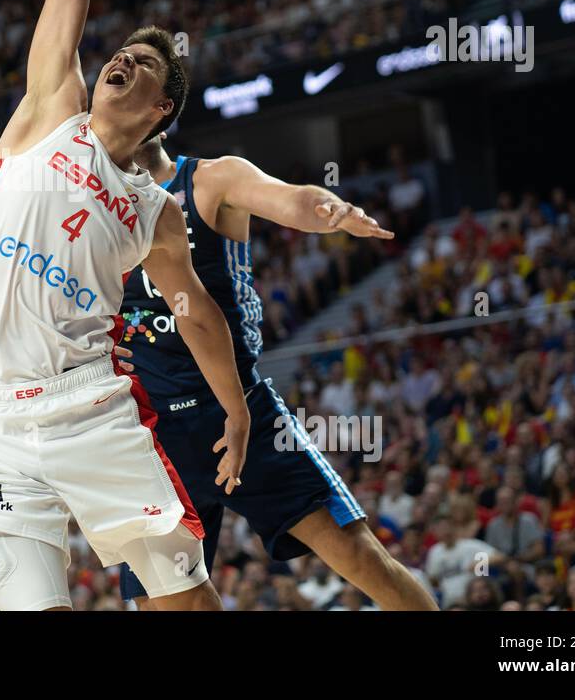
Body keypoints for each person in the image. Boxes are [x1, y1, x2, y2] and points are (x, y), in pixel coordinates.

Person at [0, 0, 250, 611]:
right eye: (121, 52)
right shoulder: (50, 111)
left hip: (94, 414)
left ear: (159, 111)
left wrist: (237, 409)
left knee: (187, 603)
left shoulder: (154, 211)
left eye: (143, 64)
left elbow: (196, 312)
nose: (123, 59)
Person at [115, 133, 436, 610]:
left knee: (359, 556)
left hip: (239, 409)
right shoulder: (96, 209)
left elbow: (291, 198)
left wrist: (331, 209)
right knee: (169, 605)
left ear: (161, 110)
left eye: (141, 64)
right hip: (154, 435)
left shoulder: (212, 178)